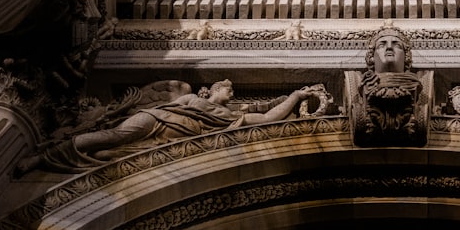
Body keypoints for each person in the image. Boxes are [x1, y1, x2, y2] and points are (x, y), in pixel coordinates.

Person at [24, 79, 325, 172]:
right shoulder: (191, 96)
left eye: (232, 92)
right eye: (227, 89)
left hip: (169, 143)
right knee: (112, 136)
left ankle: (57, 157)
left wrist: (296, 96)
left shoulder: (233, 119)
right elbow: (161, 101)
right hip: (155, 121)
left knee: (112, 152)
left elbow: (268, 119)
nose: (231, 93)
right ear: (212, 89)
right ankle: (42, 157)